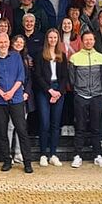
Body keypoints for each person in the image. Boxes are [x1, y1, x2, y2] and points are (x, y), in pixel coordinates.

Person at [0, 33, 34, 173]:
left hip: (16, 99)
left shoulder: (16, 56)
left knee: (21, 130)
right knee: (2, 132)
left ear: (9, 42)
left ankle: (27, 162)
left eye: (5, 42)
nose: (3, 44)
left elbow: (21, 76)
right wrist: (2, 93)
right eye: (0, 42)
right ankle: (7, 160)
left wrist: (12, 92)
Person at [69, 31, 102, 169]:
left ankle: (98, 155)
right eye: (86, 40)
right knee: (80, 127)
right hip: (81, 95)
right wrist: (78, 89)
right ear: (82, 41)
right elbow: (72, 78)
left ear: (94, 41)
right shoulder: (75, 58)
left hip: (97, 95)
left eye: (91, 40)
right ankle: (77, 155)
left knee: (96, 127)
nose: (88, 42)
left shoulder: (101, 57)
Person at [34, 28, 69, 167]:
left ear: (58, 39)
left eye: (55, 38)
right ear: (46, 39)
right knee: (44, 123)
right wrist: (49, 91)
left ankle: (53, 154)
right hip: (44, 90)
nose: (52, 40)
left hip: (58, 90)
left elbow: (65, 76)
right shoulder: (40, 55)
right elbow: (37, 75)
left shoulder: (62, 55)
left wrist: (58, 92)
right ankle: (43, 154)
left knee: (55, 124)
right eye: (50, 37)